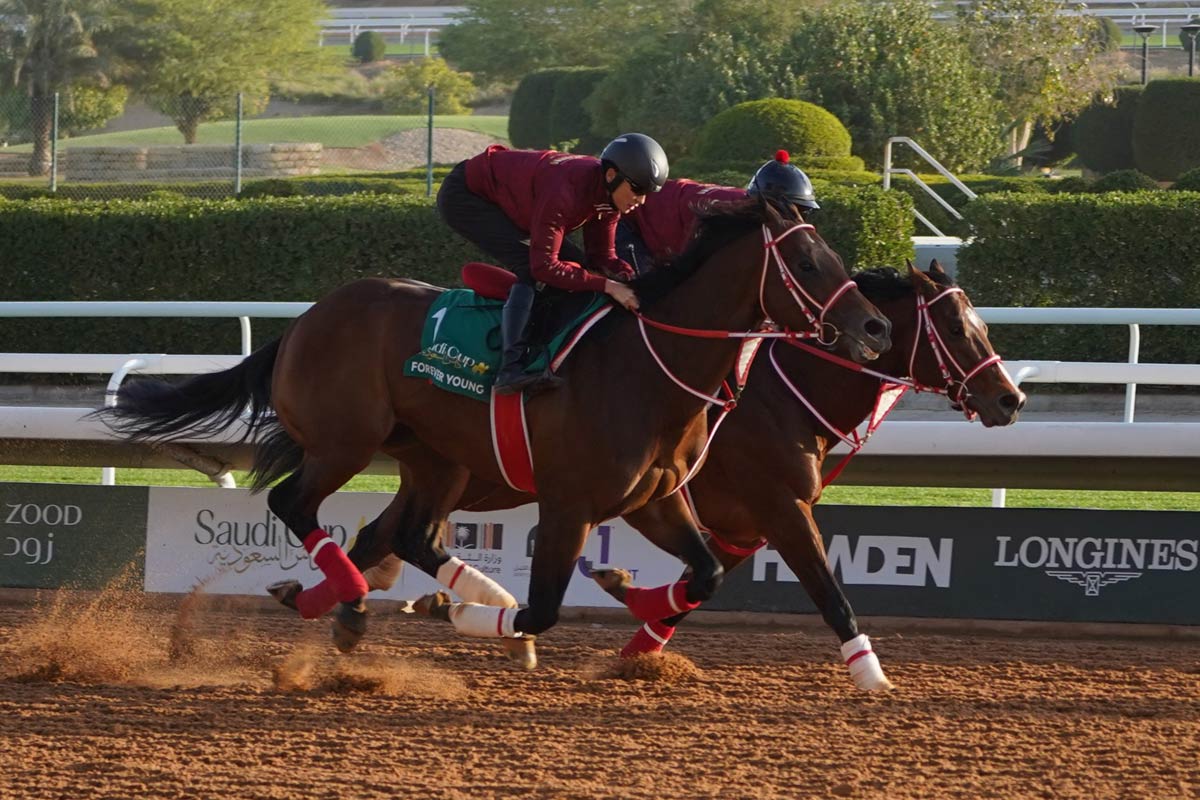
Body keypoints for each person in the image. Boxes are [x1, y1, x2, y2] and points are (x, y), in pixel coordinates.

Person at [437, 133, 669, 394]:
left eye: (648, 193)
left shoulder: (608, 197)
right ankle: (510, 369)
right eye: (637, 189)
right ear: (611, 175)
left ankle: (551, 340)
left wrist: (635, 282)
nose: (641, 201)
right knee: (529, 267)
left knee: (581, 265)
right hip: (467, 197)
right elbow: (543, 267)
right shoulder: (566, 190)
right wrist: (609, 286)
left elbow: (601, 259)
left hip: (510, 201)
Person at [617, 149, 819, 273]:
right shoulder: (722, 214)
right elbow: (688, 267)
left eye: (804, 212)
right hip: (629, 222)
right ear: (770, 205)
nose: (797, 219)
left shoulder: (748, 211)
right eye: (795, 211)